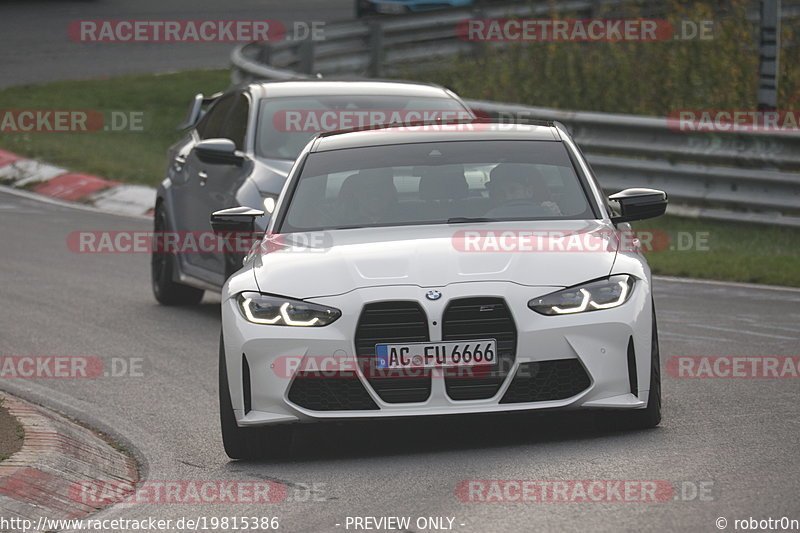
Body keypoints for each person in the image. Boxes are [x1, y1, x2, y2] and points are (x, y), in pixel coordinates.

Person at [484, 163, 561, 217]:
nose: (508, 197)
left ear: (529, 191)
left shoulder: (548, 212)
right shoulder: (486, 220)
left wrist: (556, 214)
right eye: (501, 193)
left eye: (513, 190)